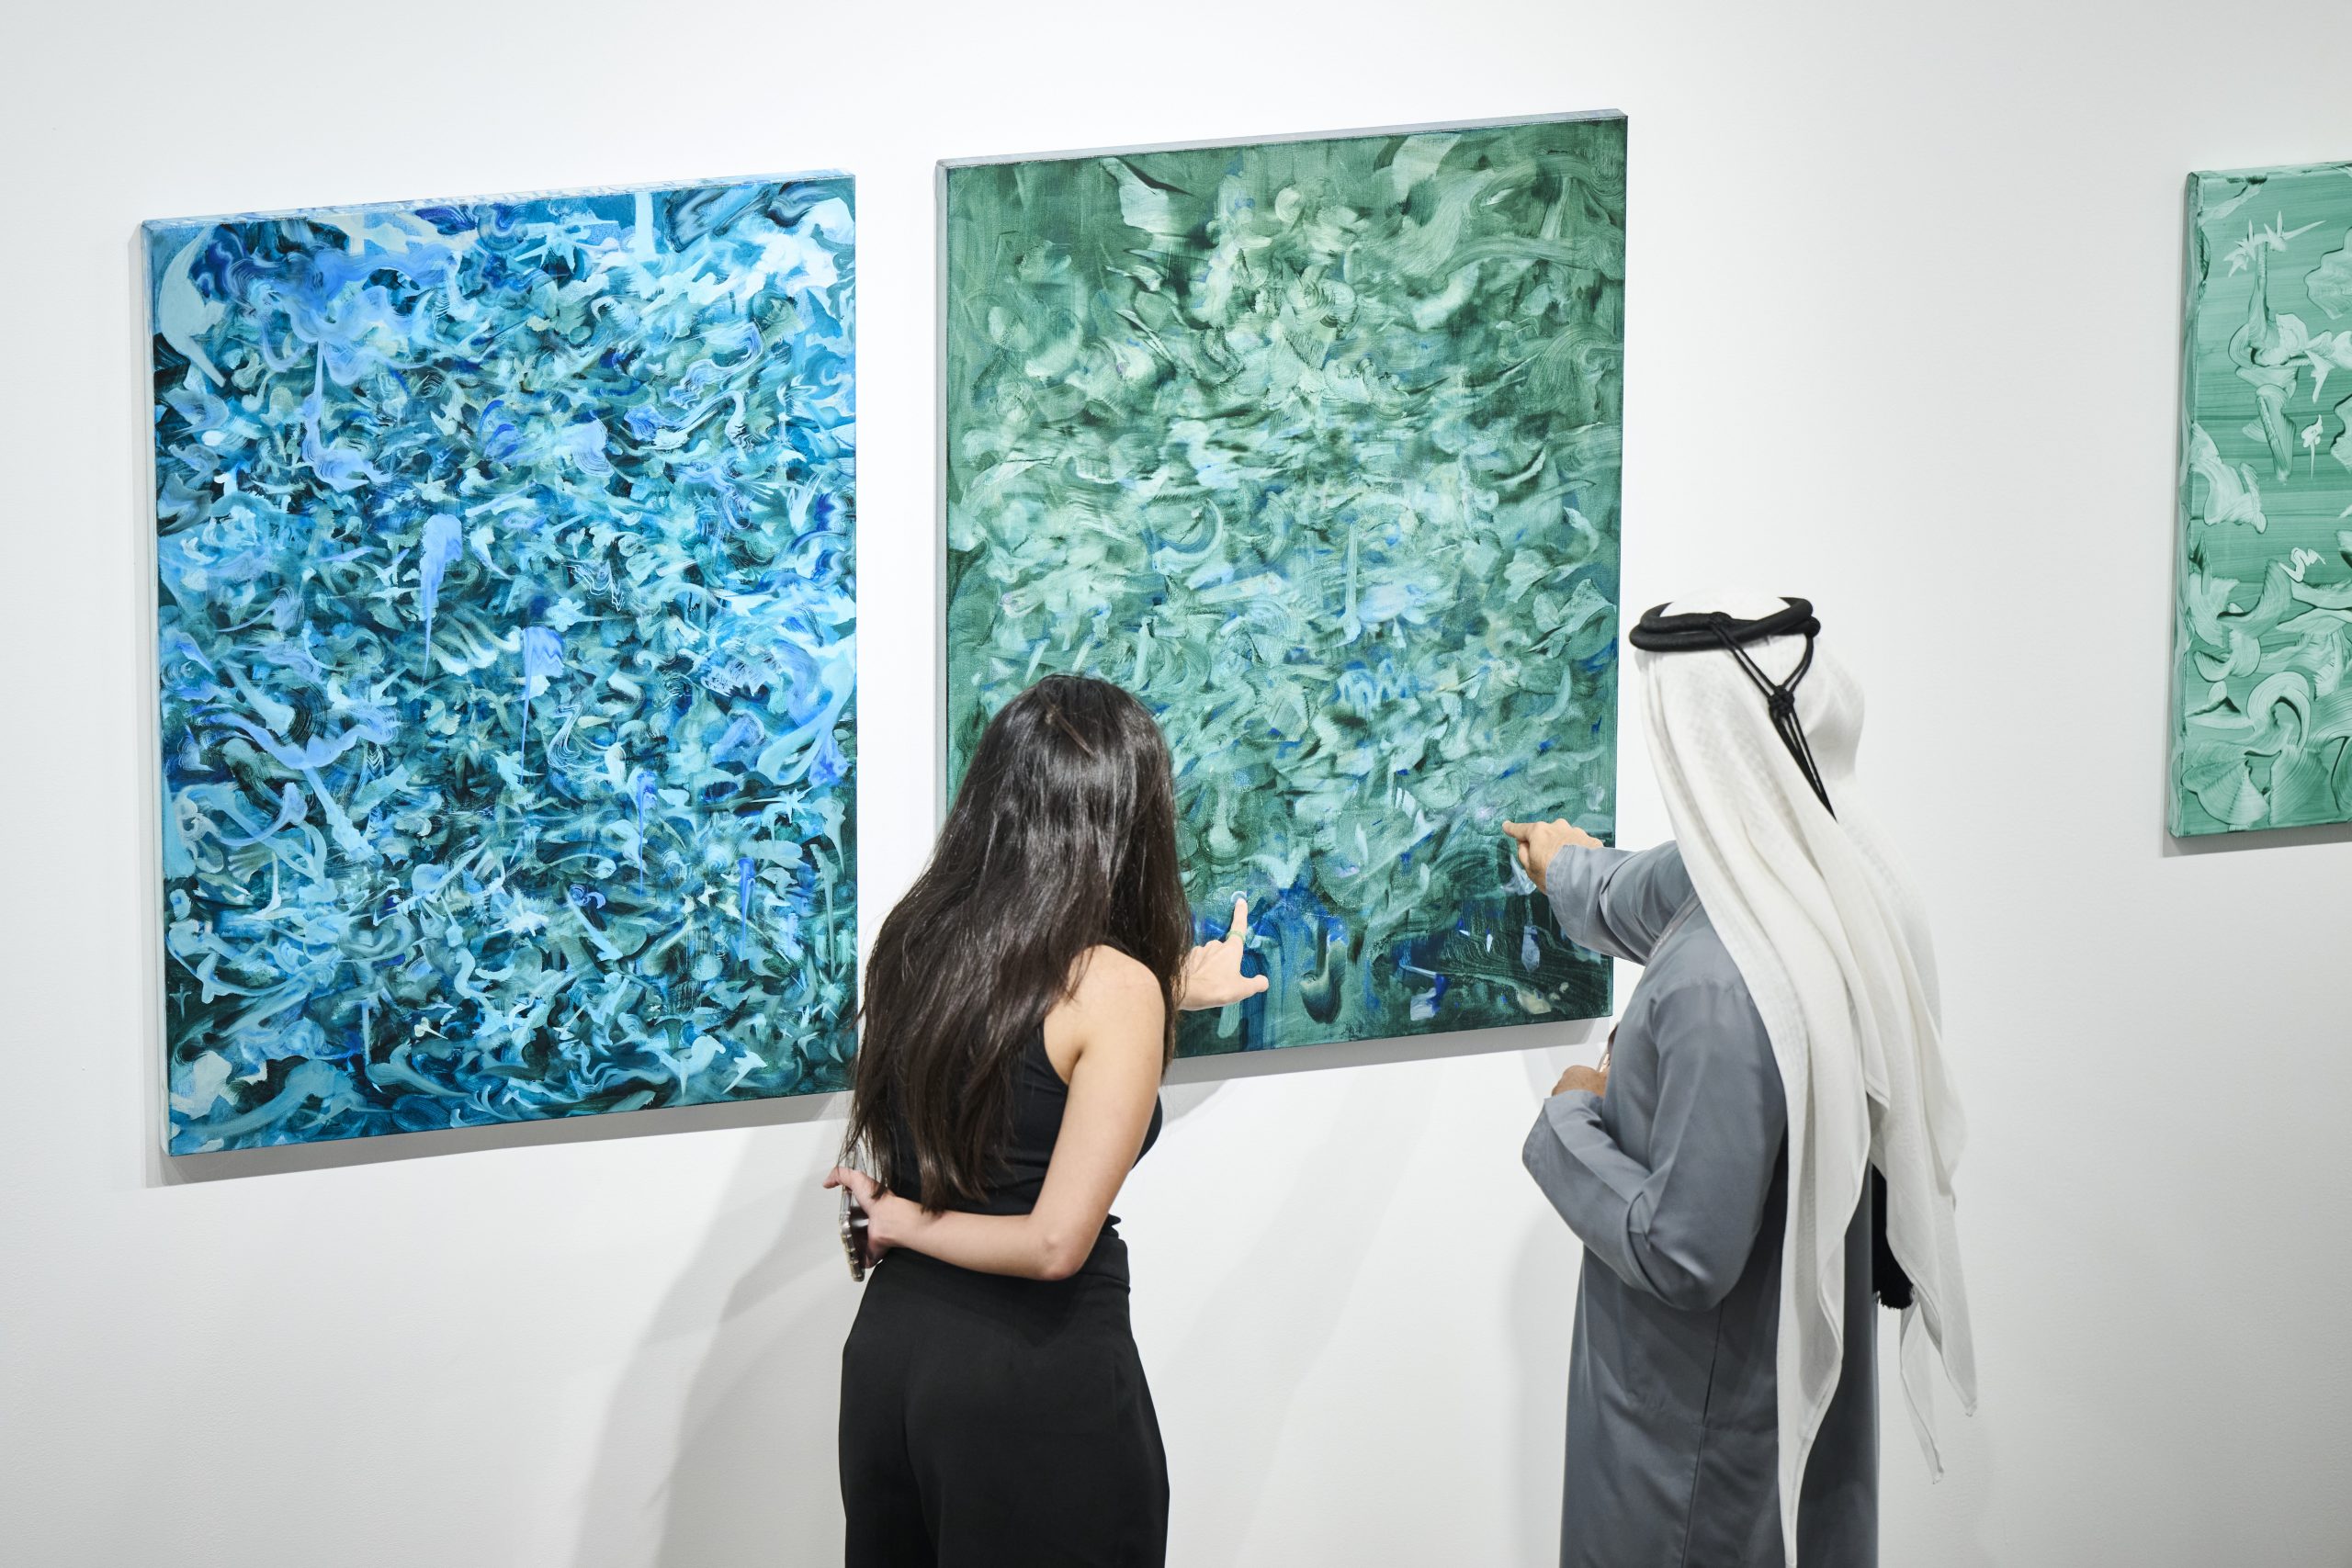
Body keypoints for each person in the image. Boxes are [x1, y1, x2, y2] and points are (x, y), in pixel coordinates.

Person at [1502, 592, 1975, 1568]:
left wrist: (1568, 1118)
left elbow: (1685, 1253)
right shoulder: (1822, 876)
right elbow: (1653, 891)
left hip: (1692, 1452)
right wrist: (1565, 869)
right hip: (1757, 1402)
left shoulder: (1722, 985)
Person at [826, 674, 1266, 1568]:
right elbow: (1054, 1243)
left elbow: (1017, 1037)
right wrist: (902, 1221)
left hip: (892, 1359)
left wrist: (1169, 992)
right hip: (1028, 1374)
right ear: (1126, 816)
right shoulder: (1112, 988)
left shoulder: (916, 940)